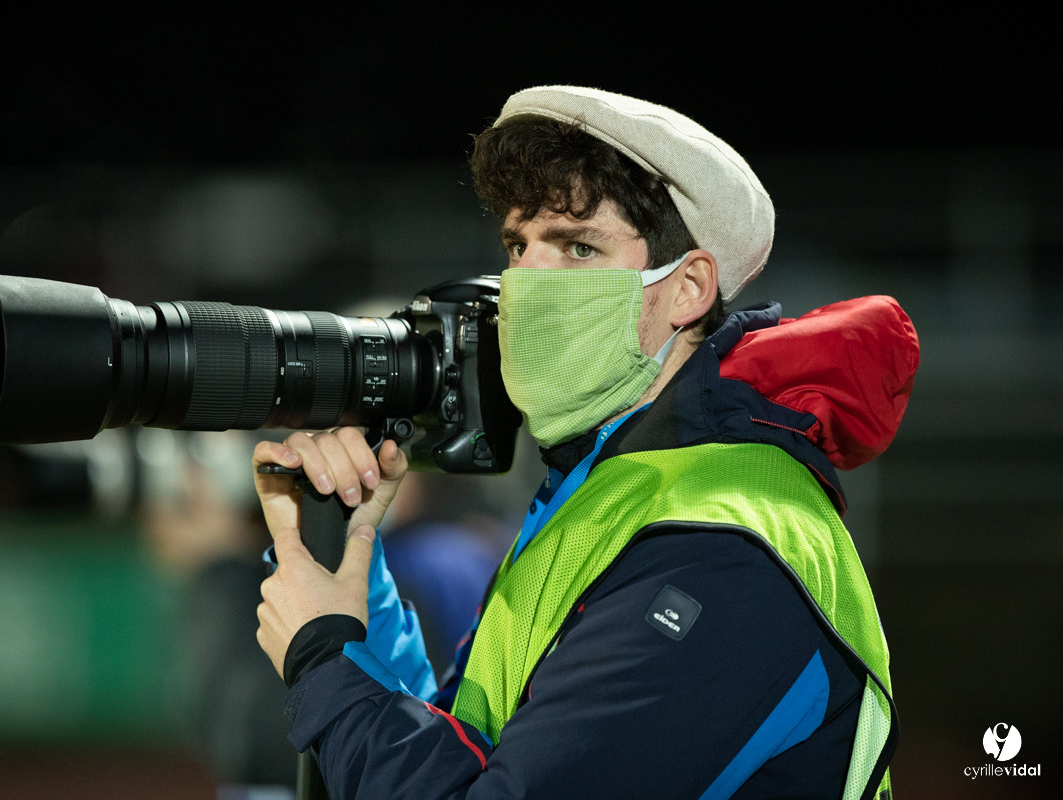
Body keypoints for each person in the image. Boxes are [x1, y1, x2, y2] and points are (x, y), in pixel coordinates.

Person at [251, 86, 918, 799]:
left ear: (688, 288)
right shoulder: (611, 493)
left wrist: (325, 658)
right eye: (517, 243)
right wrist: (356, 592)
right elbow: (465, 753)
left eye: (577, 246)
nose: (527, 277)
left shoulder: (720, 544)